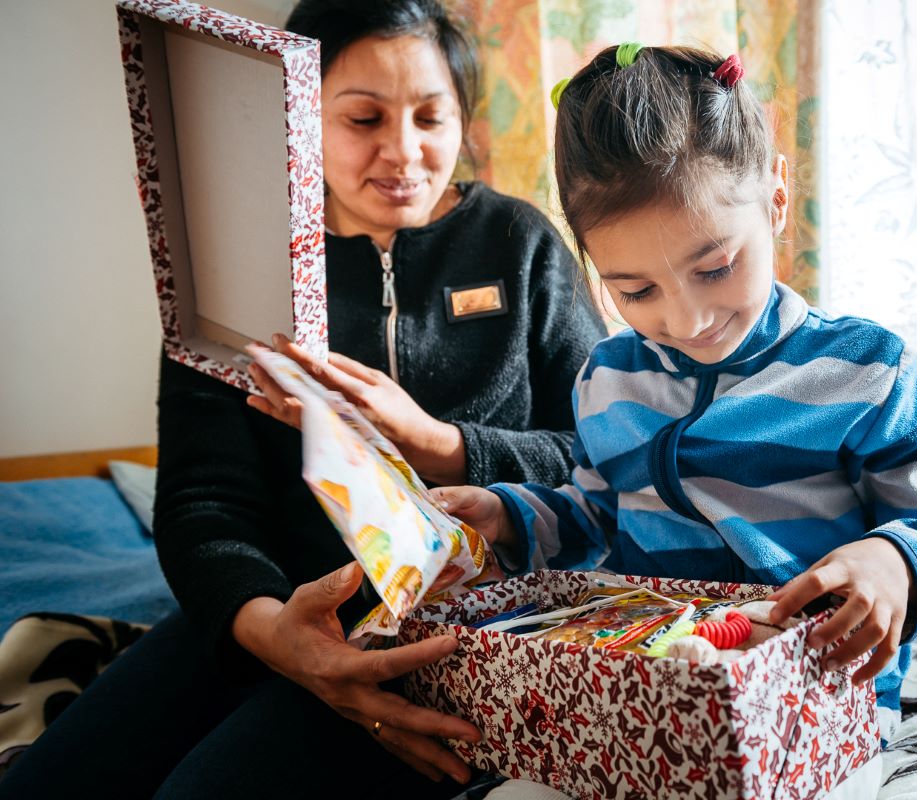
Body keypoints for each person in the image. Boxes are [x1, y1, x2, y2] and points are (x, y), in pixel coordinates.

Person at [0, 1, 605, 797]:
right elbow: (200, 499)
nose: (404, 152)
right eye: (362, 119)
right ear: (300, 116)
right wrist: (271, 631)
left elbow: (604, 451)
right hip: (273, 608)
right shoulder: (238, 265)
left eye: (432, 116)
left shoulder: (519, 246)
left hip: (467, 628)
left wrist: (442, 445)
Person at [433, 43, 917, 759]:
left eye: (716, 267)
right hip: (655, 687)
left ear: (776, 198)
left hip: (818, 694)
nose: (688, 319)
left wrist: (891, 562)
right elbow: (595, 517)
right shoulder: (606, 378)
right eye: (634, 291)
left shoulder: (862, 368)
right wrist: (508, 514)